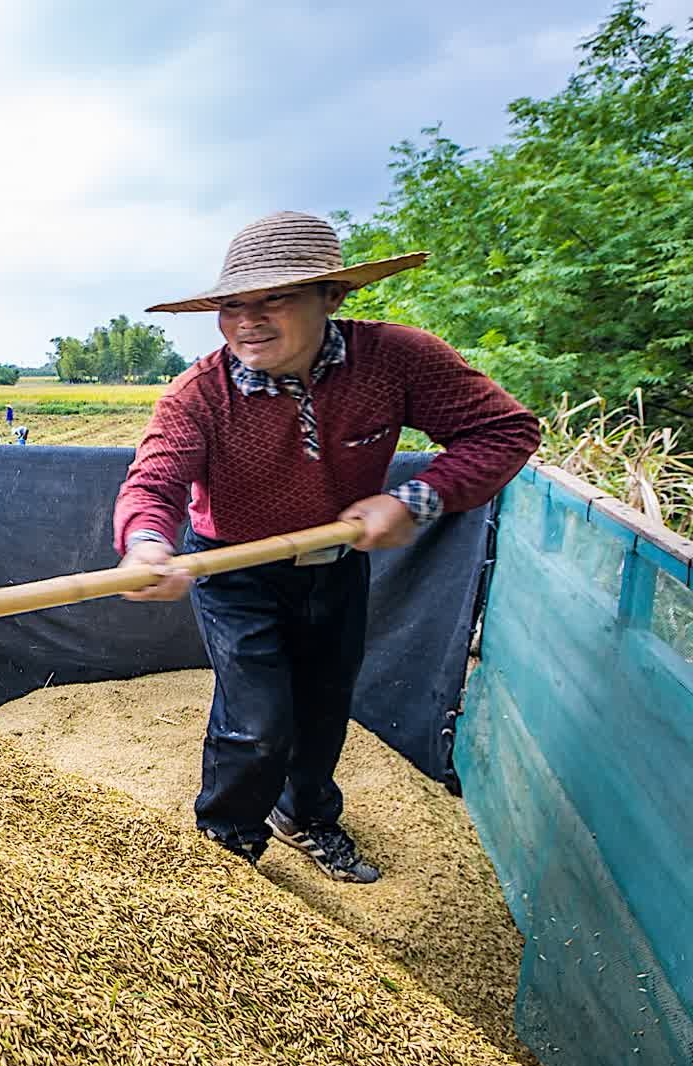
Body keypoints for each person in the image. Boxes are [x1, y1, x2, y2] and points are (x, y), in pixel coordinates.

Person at [113, 210, 539, 883]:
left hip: (335, 566)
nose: (247, 322)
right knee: (255, 720)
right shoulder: (199, 394)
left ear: (332, 297)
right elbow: (155, 480)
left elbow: (504, 431)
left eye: (274, 299)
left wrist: (414, 499)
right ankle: (228, 840)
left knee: (323, 704)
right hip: (234, 569)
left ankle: (304, 813)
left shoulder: (396, 360)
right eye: (230, 306)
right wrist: (145, 545)